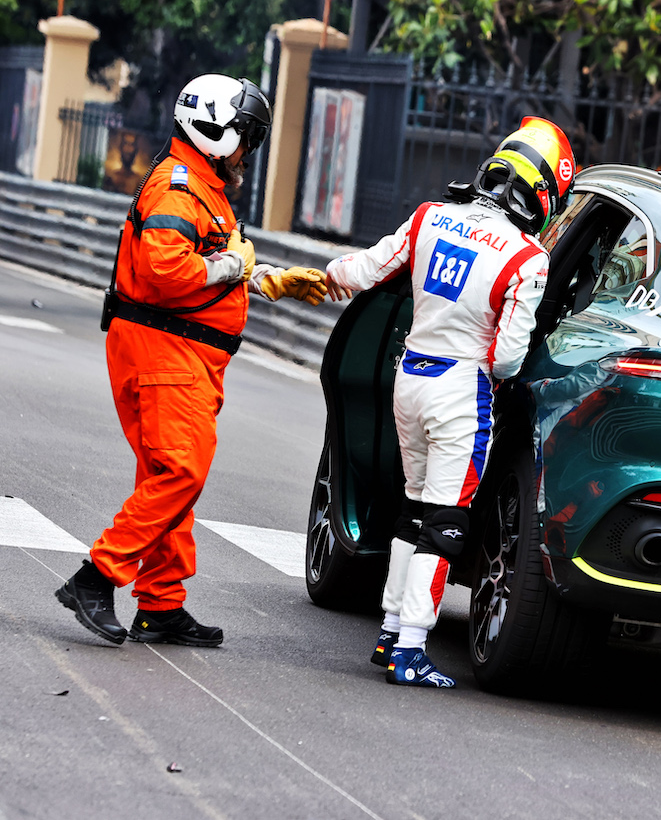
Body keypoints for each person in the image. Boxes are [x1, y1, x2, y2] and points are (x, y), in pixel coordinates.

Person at [56, 74, 330, 647]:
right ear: (212, 132)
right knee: (181, 471)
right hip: (164, 348)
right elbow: (168, 273)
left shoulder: (203, 188)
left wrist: (266, 279)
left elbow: (202, 263)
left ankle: (160, 603)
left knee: (168, 478)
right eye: (245, 137)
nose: (249, 152)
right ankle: (96, 577)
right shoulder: (178, 189)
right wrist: (236, 267)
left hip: (184, 352)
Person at [325, 117, 576, 688]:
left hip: (408, 379)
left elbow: (364, 271)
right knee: (445, 524)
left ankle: (391, 632)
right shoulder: (527, 258)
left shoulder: (429, 217)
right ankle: (410, 647)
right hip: (462, 394)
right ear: (541, 193)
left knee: (412, 513)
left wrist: (308, 278)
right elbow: (509, 358)